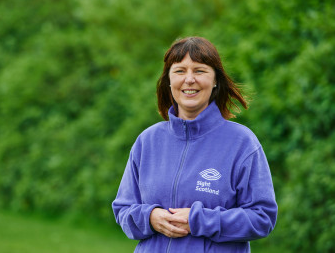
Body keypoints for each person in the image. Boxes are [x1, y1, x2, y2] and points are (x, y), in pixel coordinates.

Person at [112, 36, 277, 253]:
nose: (189, 79)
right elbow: (123, 209)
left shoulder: (242, 143)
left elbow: (262, 217)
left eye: (199, 71)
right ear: (169, 81)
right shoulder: (147, 141)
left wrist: (199, 220)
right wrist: (150, 217)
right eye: (180, 71)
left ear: (215, 80)